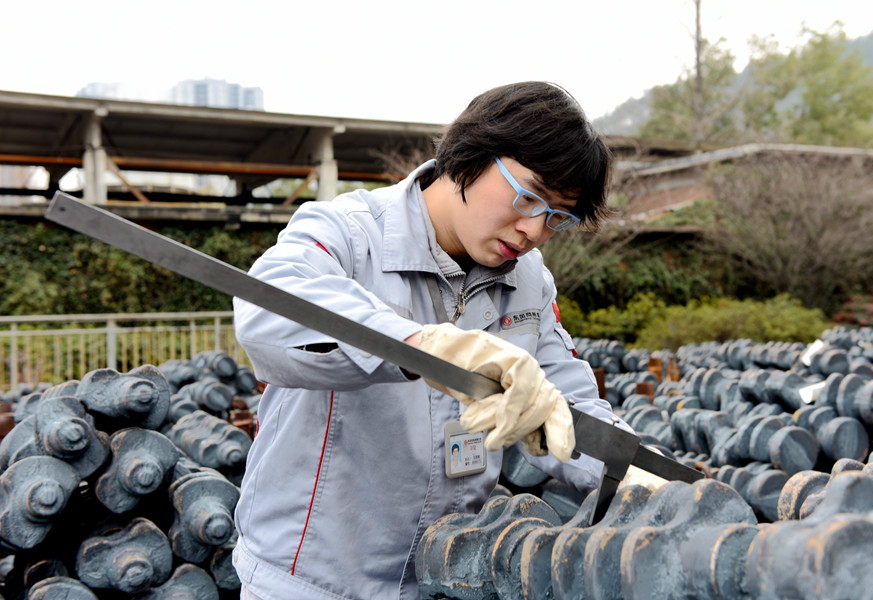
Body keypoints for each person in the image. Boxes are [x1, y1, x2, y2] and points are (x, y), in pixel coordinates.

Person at [232, 81, 634, 600]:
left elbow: (567, 406)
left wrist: (639, 472)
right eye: (529, 196)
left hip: (446, 577)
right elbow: (268, 309)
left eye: (558, 216)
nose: (534, 229)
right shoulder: (350, 234)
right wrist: (420, 345)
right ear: (469, 156)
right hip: (311, 580)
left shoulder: (528, 280)